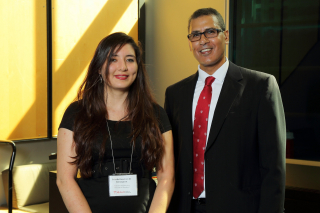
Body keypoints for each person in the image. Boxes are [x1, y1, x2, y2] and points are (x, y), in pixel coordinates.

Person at [165, 8, 286, 213]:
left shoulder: (260, 86)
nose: (202, 40)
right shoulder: (175, 94)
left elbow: (273, 168)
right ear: (190, 42)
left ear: (226, 36)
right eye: (195, 35)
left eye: (210, 32)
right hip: (185, 208)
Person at [57, 32, 175, 213]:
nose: (123, 67)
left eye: (130, 60)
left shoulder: (155, 114)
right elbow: (65, 179)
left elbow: (167, 177)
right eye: (113, 60)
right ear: (99, 67)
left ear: (137, 67)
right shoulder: (77, 113)